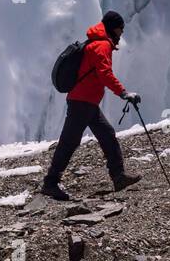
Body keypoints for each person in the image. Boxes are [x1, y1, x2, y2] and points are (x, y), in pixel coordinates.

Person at [40, 11, 143, 201]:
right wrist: (123, 92)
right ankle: (50, 183)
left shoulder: (97, 42)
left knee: (107, 134)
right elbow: (104, 73)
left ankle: (119, 177)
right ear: (113, 28)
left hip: (87, 102)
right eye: (121, 29)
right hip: (82, 102)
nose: (121, 33)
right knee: (70, 141)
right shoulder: (101, 45)